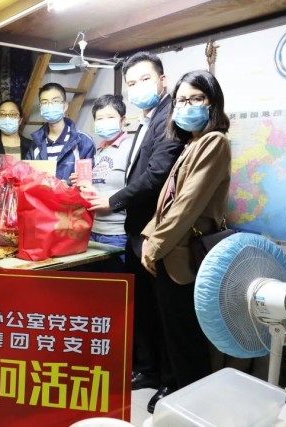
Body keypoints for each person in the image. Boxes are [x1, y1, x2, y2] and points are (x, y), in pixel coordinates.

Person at [87, 52, 185, 392]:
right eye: (131, 83)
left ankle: (169, 382)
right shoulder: (147, 120)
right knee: (143, 306)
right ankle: (148, 370)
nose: (138, 87)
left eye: (145, 79)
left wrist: (113, 200)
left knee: (161, 311)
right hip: (137, 230)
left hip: (155, 231)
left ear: (162, 80)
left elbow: (157, 174)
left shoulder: (168, 117)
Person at [141, 70, 231, 412]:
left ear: (212, 103)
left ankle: (192, 405)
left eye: (196, 99)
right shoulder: (191, 143)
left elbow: (186, 206)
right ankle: (175, 392)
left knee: (186, 338)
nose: (187, 106)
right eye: (181, 100)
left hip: (184, 253)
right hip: (170, 250)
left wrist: (154, 245)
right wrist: (149, 239)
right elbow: (166, 202)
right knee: (173, 331)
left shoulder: (214, 142)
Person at [71, 94, 131, 273]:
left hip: (117, 233)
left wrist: (101, 196)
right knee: (97, 285)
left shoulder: (131, 147)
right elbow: (100, 186)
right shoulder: (99, 150)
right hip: (93, 230)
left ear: (122, 121)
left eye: (110, 117)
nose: (105, 122)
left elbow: (136, 190)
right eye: (100, 118)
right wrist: (82, 184)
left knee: (117, 285)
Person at [25, 83, 95, 182]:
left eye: (55, 101)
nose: (50, 106)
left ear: (65, 106)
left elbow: (89, 181)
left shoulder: (83, 141)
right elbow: (29, 177)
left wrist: (67, 186)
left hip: (72, 193)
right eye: (45, 102)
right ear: (40, 108)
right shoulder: (36, 143)